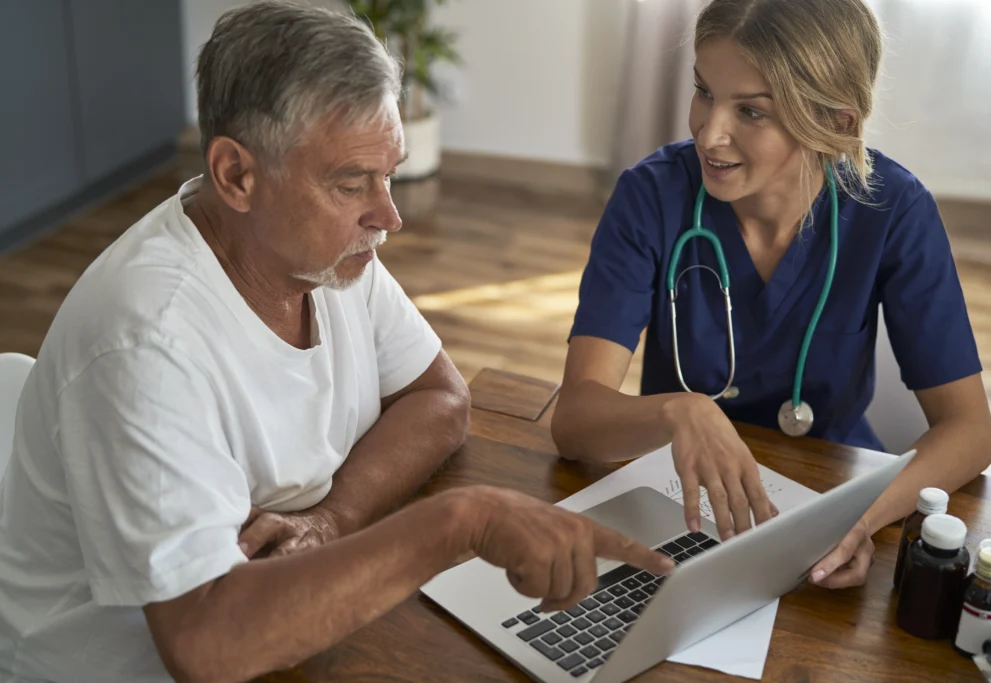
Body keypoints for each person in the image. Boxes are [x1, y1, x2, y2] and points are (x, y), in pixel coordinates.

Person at [0, 3, 673, 682]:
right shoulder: (144, 341)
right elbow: (206, 644)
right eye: (352, 183)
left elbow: (440, 396)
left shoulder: (323, 255)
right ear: (236, 174)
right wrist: (461, 520)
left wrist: (331, 519)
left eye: (388, 173)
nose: (390, 215)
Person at [552, 0, 991, 590]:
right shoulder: (650, 197)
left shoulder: (894, 209)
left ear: (836, 121)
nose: (709, 132)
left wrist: (852, 520)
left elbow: (970, 430)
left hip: (825, 498)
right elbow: (576, 420)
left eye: (751, 111)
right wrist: (678, 410)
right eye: (704, 91)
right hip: (675, 494)